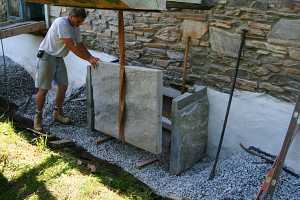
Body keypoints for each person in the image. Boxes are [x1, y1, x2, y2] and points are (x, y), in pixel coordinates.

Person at [34, 8, 99, 131]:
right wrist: (88, 59)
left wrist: (91, 56)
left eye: (81, 22)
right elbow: (73, 47)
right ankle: (37, 118)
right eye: (78, 21)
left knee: (63, 86)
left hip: (58, 58)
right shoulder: (61, 23)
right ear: (71, 16)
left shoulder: (75, 26)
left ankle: (57, 113)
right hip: (47, 56)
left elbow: (79, 44)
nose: (79, 24)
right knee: (43, 89)